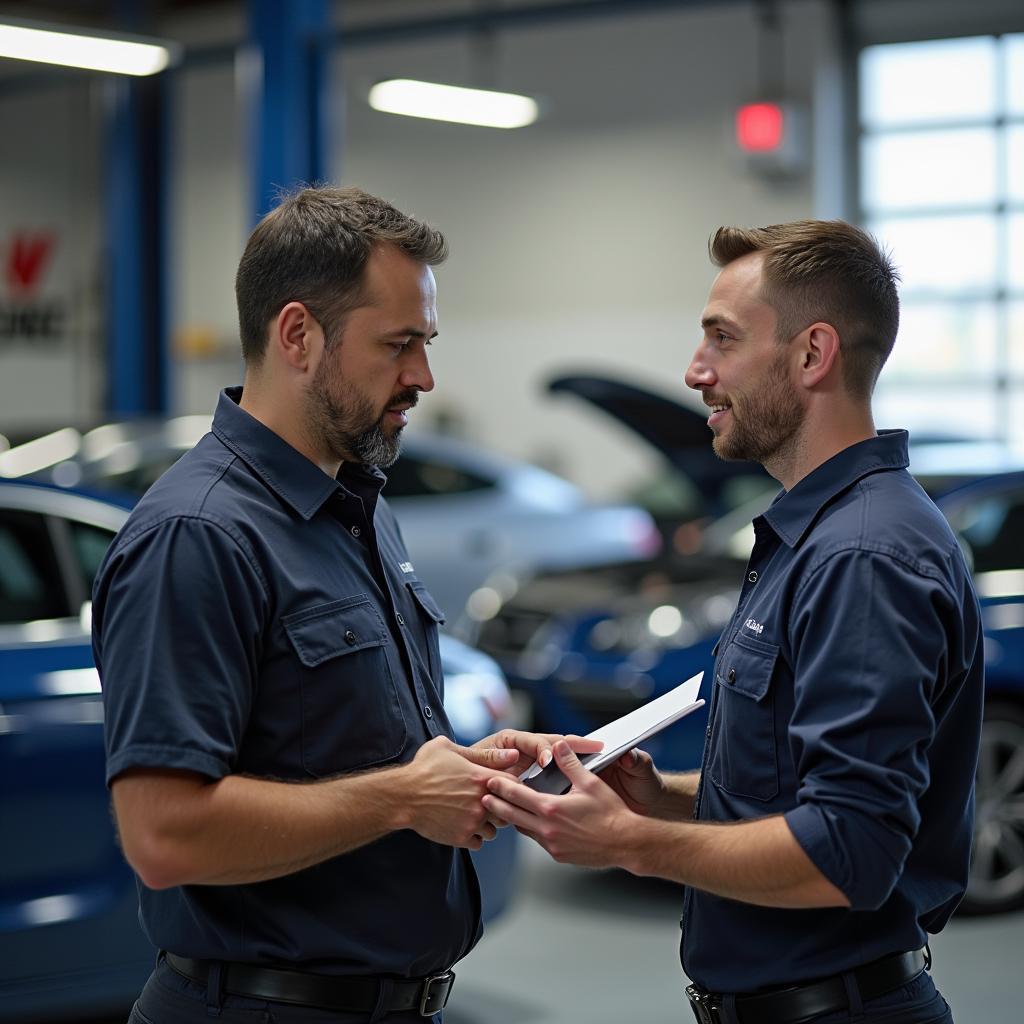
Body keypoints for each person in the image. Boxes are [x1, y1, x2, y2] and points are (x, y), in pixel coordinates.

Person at [93, 185, 597, 1024]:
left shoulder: (359, 510)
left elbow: (334, 747)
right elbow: (163, 833)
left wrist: (457, 770)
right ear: (298, 334)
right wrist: (403, 795)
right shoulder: (198, 535)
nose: (423, 377)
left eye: (425, 343)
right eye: (398, 344)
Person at [484, 220, 984, 1024]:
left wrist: (627, 843)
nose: (695, 371)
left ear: (812, 354)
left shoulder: (863, 556)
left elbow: (848, 851)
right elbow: (795, 791)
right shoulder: (810, 535)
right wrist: (662, 799)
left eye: (722, 339)